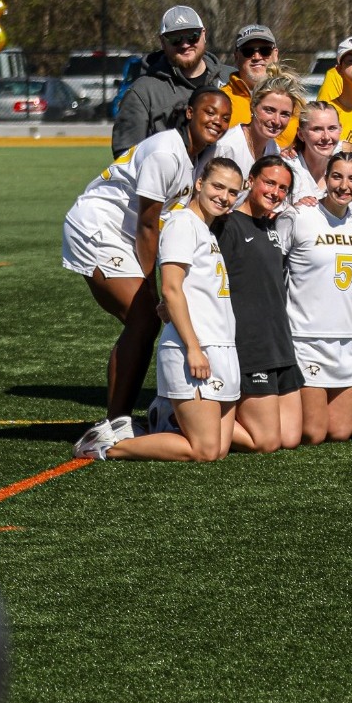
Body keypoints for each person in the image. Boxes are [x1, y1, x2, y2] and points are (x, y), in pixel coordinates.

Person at [67, 88, 233, 453]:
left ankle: (138, 413)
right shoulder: (165, 152)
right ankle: (113, 426)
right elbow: (146, 225)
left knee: (147, 320)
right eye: (209, 112)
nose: (217, 121)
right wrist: (154, 289)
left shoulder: (197, 156)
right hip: (98, 228)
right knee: (145, 318)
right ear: (189, 113)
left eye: (224, 117)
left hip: (122, 232)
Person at [78, 159, 248, 461]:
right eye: (218, 186)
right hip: (195, 346)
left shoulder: (206, 230)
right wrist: (193, 348)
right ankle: (107, 446)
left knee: (219, 450)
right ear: (199, 184)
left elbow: (187, 291)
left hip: (221, 345)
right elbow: (171, 288)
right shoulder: (183, 224)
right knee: (204, 450)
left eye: (232, 192)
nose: (224, 196)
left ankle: (163, 417)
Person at [282, 153, 352, 443]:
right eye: (337, 177)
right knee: (313, 432)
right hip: (307, 338)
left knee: (342, 432)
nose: (344, 186)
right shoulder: (299, 217)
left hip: (348, 339)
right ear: (326, 178)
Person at [220, 156, 301, 453]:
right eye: (269, 182)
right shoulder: (227, 226)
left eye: (282, 188)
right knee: (266, 442)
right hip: (251, 345)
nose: (275, 192)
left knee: (291, 437)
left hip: (279, 343)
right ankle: (182, 420)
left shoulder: (270, 225)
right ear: (250, 181)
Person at [113, 5, 235, 154]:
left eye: (192, 36)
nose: (185, 44)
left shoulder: (232, 79)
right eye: (175, 38)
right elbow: (126, 155)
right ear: (163, 42)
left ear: (203, 34)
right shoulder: (143, 91)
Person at [220, 25, 297, 149]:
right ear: (236, 56)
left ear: (275, 54)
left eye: (265, 50)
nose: (257, 57)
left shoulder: (293, 99)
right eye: (248, 51)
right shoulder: (221, 100)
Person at [213, 74, 300, 178]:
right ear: (253, 107)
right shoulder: (226, 147)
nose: (277, 121)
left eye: (284, 114)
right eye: (269, 110)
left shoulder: (273, 150)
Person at [285, 102, 342, 206]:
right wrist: (294, 210)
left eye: (332, 128)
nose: (326, 137)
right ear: (301, 134)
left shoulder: (343, 167)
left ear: (340, 129)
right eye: (317, 129)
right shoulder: (287, 169)